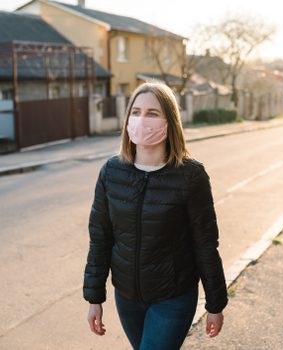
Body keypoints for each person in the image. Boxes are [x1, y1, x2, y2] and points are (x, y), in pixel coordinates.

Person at [83, 82, 228, 350]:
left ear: (169, 121)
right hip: (126, 297)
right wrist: (94, 298)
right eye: (136, 112)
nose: (141, 120)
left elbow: (205, 244)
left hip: (172, 298)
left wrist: (215, 303)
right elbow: (100, 238)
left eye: (152, 113)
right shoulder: (111, 172)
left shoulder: (191, 176)